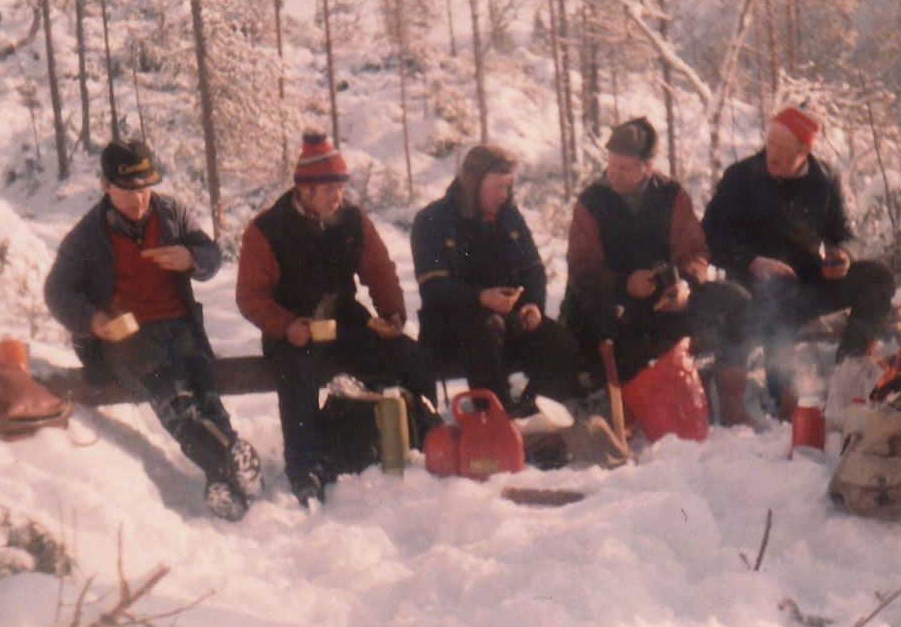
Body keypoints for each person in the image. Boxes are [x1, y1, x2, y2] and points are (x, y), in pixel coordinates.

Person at [45, 139, 261, 521]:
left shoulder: (171, 213)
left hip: (179, 324)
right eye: (127, 191)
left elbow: (210, 255)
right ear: (105, 186)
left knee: (205, 394)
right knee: (174, 399)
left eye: (144, 190)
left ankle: (222, 477)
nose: (137, 200)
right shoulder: (88, 235)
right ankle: (231, 461)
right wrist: (93, 321)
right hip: (125, 338)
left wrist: (190, 258)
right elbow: (57, 290)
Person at [236, 130, 438, 505]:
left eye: (340, 188)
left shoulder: (352, 221)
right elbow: (250, 297)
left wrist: (392, 314)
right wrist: (286, 325)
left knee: (412, 358)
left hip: (345, 323)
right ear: (305, 189)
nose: (338, 197)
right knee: (296, 375)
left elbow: (379, 270)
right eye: (330, 189)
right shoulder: (267, 229)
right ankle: (305, 469)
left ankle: (426, 439)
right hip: (292, 332)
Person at [563, 117, 757, 426]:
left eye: (624, 168)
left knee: (738, 300)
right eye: (611, 165)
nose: (614, 174)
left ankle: (731, 401)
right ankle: (623, 411)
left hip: (667, 298)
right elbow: (581, 268)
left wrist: (686, 284)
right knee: (603, 317)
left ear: (647, 167)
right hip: (613, 299)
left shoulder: (671, 195)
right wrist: (624, 284)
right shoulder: (591, 202)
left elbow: (694, 252)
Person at [702, 106, 895, 412]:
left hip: (805, 283)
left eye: (783, 149)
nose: (773, 154)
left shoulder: (824, 178)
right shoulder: (741, 177)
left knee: (877, 277)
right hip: (754, 288)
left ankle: (850, 371)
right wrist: (753, 262)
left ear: (804, 151)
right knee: (775, 301)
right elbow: (710, 237)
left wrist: (842, 255)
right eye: (770, 144)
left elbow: (844, 233)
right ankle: (782, 394)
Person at [411, 144, 589, 415]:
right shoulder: (433, 221)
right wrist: (481, 298)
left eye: (508, 187)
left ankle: (531, 414)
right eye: (498, 187)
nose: (504, 195)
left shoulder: (509, 218)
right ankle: (497, 418)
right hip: (451, 329)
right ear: (474, 183)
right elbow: (434, 287)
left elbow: (532, 269)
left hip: (509, 318)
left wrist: (532, 305)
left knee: (559, 343)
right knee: (481, 329)